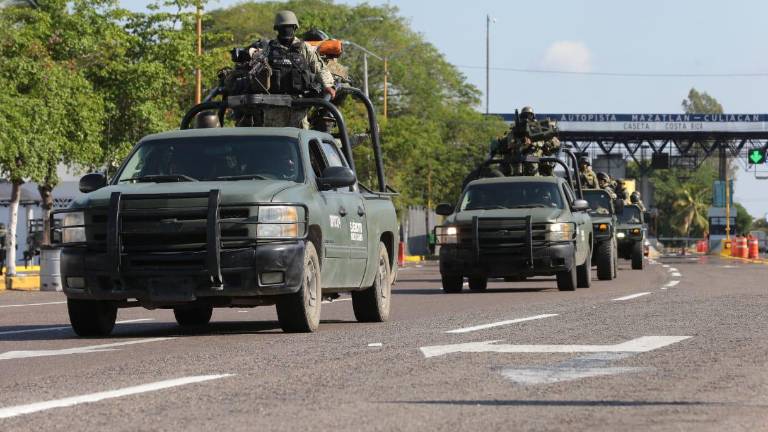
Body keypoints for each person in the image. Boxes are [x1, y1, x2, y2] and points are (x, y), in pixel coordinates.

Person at [238, 11, 336, 128]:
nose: (286, 30)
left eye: (289, 27)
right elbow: (255, 69)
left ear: (294, 28)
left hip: (299, 105)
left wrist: (328, 85)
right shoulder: (268, 48)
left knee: (299, 139)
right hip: (274, 105)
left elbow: (319, 67)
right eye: (283, 27)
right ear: (277, 28)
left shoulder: (304, 48)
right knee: (274, 140)